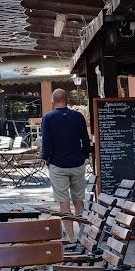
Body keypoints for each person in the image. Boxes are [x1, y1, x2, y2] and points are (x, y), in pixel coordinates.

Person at [40, 88, 91, 219]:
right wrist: (85, 155)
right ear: (67, 100)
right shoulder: (78, 117)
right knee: (79, 201)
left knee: (63, 203)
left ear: (52, 101)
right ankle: (82, 230)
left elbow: (45, 143)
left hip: (58, 165)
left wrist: (47, 158)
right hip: (77, 163)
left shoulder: (48, 118)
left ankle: (69, 232)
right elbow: (85, 140)